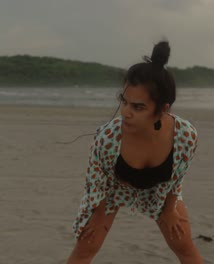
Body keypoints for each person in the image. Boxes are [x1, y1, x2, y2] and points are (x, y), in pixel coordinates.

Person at [66, 41, 203, 264]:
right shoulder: (108, 138)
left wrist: (169, 208)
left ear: (163, 110)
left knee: (183, 244)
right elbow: (95, 181)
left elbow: (178, 176)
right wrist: (99, 214)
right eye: (124, 101)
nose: (126, 113)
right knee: (86, 247)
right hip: (110, 191)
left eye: (138, 107)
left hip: (159, 191)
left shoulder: (185, 136)